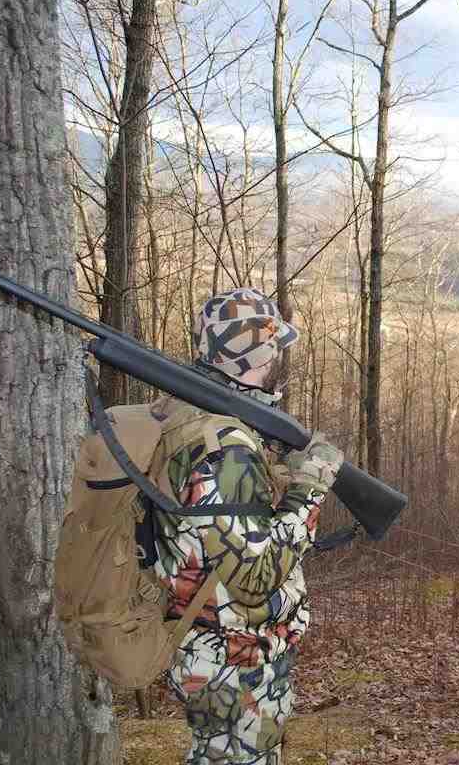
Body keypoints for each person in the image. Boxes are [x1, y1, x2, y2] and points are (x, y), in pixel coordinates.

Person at [145, 287, 344, 764]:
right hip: (234, 660)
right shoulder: (226, 446)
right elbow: (255, 575)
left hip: (210, 646)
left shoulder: (188, 416)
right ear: (260, 355)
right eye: (274, 348)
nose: (279, 359)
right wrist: (310, 489)